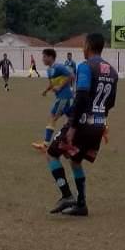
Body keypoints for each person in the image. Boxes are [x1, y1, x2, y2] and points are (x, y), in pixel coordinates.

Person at [46, 33, 118, 217]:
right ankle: (81, 205)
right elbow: (110, 103)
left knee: (52, 154)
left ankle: (66, 195)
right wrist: (101, 122)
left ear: (88, 46)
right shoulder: (112, 71)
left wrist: (72, 126)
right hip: (99, 124)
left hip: (83, 123)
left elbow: (82, 95)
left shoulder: (85, 66)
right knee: (76, 160)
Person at [32, 48, 74, 150]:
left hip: (64, 97)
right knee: (72, 120)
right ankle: (74, 142)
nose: (43, 59)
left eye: (44, 57)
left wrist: (60, 86)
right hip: (63, 98)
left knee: (53, 117)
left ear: (51, 57)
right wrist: (46, 90)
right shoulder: (49, 70)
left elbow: (71, 76)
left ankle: (46, 144)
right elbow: (51, 84)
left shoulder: (59, 67)